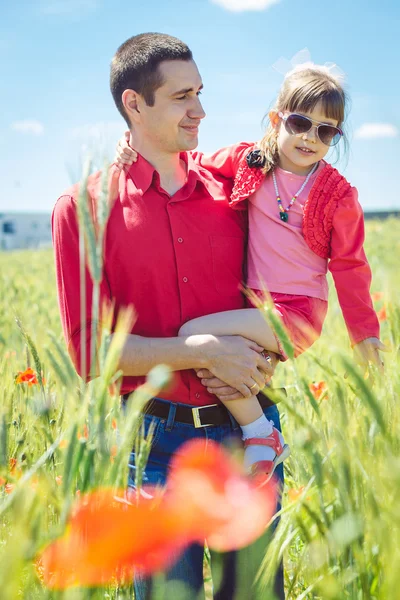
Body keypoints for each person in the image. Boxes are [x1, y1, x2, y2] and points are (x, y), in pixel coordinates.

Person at [52, 32, 285, 600]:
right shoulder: (83, 210)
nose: (200, 110)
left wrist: (266, 352)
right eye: (183, 97)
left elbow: (289, 290)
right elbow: (88, 355)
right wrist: (200, 352)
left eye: (200, 92)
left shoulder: (238, 191)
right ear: (135, 105)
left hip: (248, 436)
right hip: (154, 442)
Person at [115, 61, 388, 480]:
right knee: (221, 360)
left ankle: (260, 431)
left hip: (297, 313)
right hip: (257, 310)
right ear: (278, 119)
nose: (310, 138)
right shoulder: (250, 162)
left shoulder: (337, 196)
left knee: (192, 335)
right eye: (300, 123)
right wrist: (132, 149)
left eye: (326, 131)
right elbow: (191, 160)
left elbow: (352, 267)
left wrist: (365, 337)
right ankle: (258, 433)